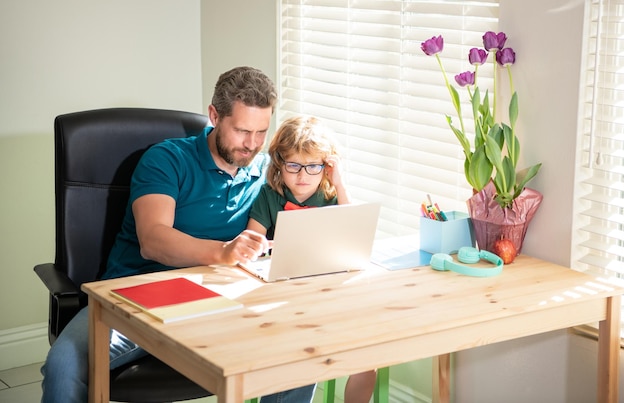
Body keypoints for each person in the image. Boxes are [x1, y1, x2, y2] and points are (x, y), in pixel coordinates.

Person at [40, 66, 315, 403]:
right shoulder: (167, 159)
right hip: (139, 296)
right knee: (64, 366)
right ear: (214, 115)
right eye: (242, 130)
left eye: (261, 132)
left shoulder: (265, 172)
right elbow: (154, 240)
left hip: (221, 300)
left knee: (300, 352)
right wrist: (224, 252)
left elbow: (315, 214)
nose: (252, 145)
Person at [246, 115, 377, 403]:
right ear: (280, 164)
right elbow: (250, 242)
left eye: (313, 166)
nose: (302, 176)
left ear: (326, 167)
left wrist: (340, 183)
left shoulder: (330, 196)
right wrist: (269, 245)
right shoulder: (270, 196)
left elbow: (353, 233)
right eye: (293, 165)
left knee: (367, 359)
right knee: (295, 354)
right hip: (286, 296)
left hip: (330, 294)